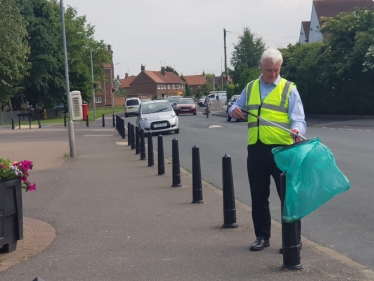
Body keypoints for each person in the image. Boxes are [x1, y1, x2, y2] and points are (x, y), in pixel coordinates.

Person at [228, 49, 306, 252]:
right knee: (258, 196)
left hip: (282, 151)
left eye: (276, 70)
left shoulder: (288, 88)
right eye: (269, 70)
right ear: (261, 67)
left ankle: (292, 240)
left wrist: (297, 130)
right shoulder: (251, 87)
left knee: (287, 197)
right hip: (256, 150)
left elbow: (299, 118)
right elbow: (236, 105)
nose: (273, 74)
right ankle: (262, 236)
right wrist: (232, 110)